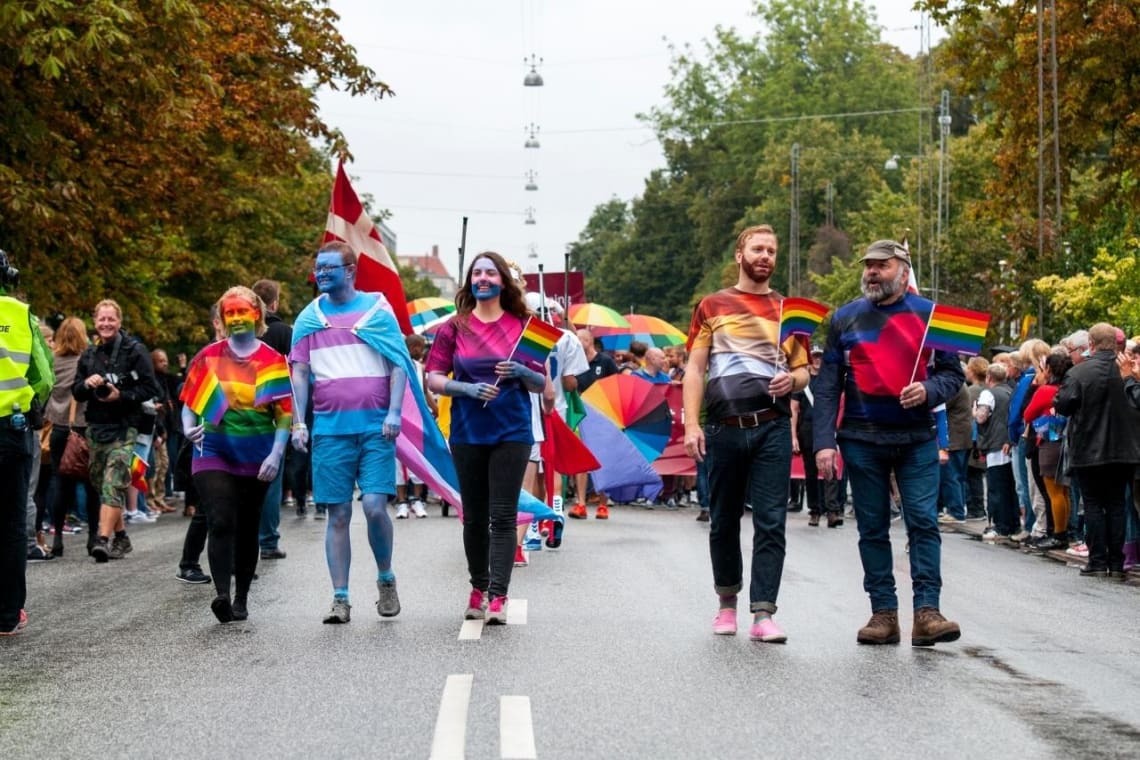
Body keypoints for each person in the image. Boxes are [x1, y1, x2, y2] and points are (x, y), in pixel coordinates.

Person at [813, 239, 965, 647]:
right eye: (868, 266)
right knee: (872, 527)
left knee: (923, 521)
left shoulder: (933, 316)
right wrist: (823, 441)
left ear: (903, 269)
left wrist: (929, 390)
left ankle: (927, 613)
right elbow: (827, 385)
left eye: (881, 265)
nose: (872, 272)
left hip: (916, 439)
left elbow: (953, 377)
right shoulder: (844, 319)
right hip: (861, 439)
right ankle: (883, 614)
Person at [683, 224, 809, 643]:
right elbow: (695, 369)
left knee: (772, 522)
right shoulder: (712, 305)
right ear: (740, 255)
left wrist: (791, 383)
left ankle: (763, 614)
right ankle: (725, 603)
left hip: (771, 426)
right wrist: (691, 424)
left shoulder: (791, 311)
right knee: (723, 520)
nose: (765, 257)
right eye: (757, 249)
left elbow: (804, 371)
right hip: (724, 428)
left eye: (771, 250)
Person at [290, 241, 412, 624]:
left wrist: (394, 412)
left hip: (377, 429)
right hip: (330, 431)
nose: (321, 274)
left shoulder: (377, 311)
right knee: (338, 513)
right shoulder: (308, 319)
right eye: (318, 268)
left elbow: (398, 363)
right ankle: (340, 597)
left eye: (329, 268)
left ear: (350, 270)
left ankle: (385, 577)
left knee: (375, 507)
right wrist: (298, 421)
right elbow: (300, 373)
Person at [426, 251, 547, 625]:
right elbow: (432, 377)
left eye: (490, 273)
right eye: (476, 273)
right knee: (474, 517)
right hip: (467, 432)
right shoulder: (453, 328)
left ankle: (498, 596)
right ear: (469, 282)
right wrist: (466, 389)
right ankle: (477, 589)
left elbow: (545, 385)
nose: (482, 278)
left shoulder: (528, 326)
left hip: (511, 430)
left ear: (502, 282)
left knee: (503, 515)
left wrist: (521, 372)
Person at [181, 286, 291, 622]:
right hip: (213, 449)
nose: (237, 318)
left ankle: (242, 596)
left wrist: (276, 455)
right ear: (222, 318)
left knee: (247, 525)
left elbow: (284, 415)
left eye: (243, 311)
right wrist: (188, 428)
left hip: (257, 455)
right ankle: (222, 596)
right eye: (230, 312)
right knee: (221, 518)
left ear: (257, 314)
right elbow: (190, 401)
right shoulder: (209, 356)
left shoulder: (272, 360)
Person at [72, 299, 160, 563]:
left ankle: (102, 539)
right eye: (102, 319)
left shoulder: (135, 351)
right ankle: (121, 536)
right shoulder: (89, 354)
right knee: (104, 486)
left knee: (113, 483)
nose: (106, 324)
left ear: (119, 322)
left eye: (111, 319)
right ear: (95, 322)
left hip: (125, 428)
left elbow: (150, 388)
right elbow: (75, 391)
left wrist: (121, 395)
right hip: (96, 428)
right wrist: (87, 384)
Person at [1054, 323, 1140, 578]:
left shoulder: (1080, 372)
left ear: (1090, 344)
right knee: (1116, 505)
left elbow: (1064, 405)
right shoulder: (1129, 371)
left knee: (1092, 504)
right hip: (1125, 449)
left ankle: (1097, 560)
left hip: (1088, 447)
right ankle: (1116, 562)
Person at [0, 249, 54, 636]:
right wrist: (30, 402)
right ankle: (7, 614)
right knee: (11, 522)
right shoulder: (20, 315)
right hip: (10, 429)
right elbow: (45, 376)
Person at [44, 317, 101, 556]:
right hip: (83, 428)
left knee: (60, 482)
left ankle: (57, 537)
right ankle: (92, 537)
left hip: (58, 428)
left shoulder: (52, 361)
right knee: (91, 484)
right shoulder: (87, 361)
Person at [252, 278, 292, 560]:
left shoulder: (241, 330)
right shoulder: (284, 332)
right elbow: (295, 371)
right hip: (275, 409)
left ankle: (246, 540)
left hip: (241, 410)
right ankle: (267, 540)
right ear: (275, 302)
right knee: (271, 476)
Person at [569, 328, 618, 519]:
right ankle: (581, 503)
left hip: (604, 415)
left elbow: (617, 385)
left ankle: (603, 504)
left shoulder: (605, 361)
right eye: (576, 339)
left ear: (590, 341)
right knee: (582, 458)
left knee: (603, 460)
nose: (578, 342)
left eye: (581, 339)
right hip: (582, 416)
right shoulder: (574, 363)